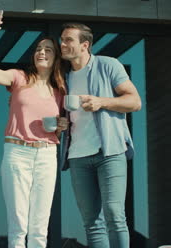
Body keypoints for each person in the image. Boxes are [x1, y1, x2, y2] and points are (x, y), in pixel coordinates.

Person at [0, 13, 68, 248]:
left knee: (39, 228)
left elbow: (59, 129)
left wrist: (62, 126)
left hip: (47, 153)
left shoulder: (59, 92)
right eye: (39, 48)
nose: (42, 52)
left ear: (56, 57)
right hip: (17, 153)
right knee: (18, 225)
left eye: (48, 49)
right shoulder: (19, 77)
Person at [59, 23, 142, 248]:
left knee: (114, 214)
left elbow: (135, 102)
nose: (62, 44)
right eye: (62, 40)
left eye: (68, 40)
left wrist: (101, 102)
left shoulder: (108, 65)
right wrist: (61, 123)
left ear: (84, 45)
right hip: (78, 157)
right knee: (92, 222)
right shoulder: (63, 76)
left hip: (110, 152)